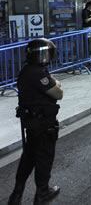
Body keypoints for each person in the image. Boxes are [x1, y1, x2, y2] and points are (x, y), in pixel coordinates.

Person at [8, 39, 63, 205]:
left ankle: (16, 194)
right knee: (44, 158)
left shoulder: (26, 70)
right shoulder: (39, 73)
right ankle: (42, 194)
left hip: (31, 123)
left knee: (29, 157)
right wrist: (57, 83)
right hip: (43, 124)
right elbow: (57, 94)